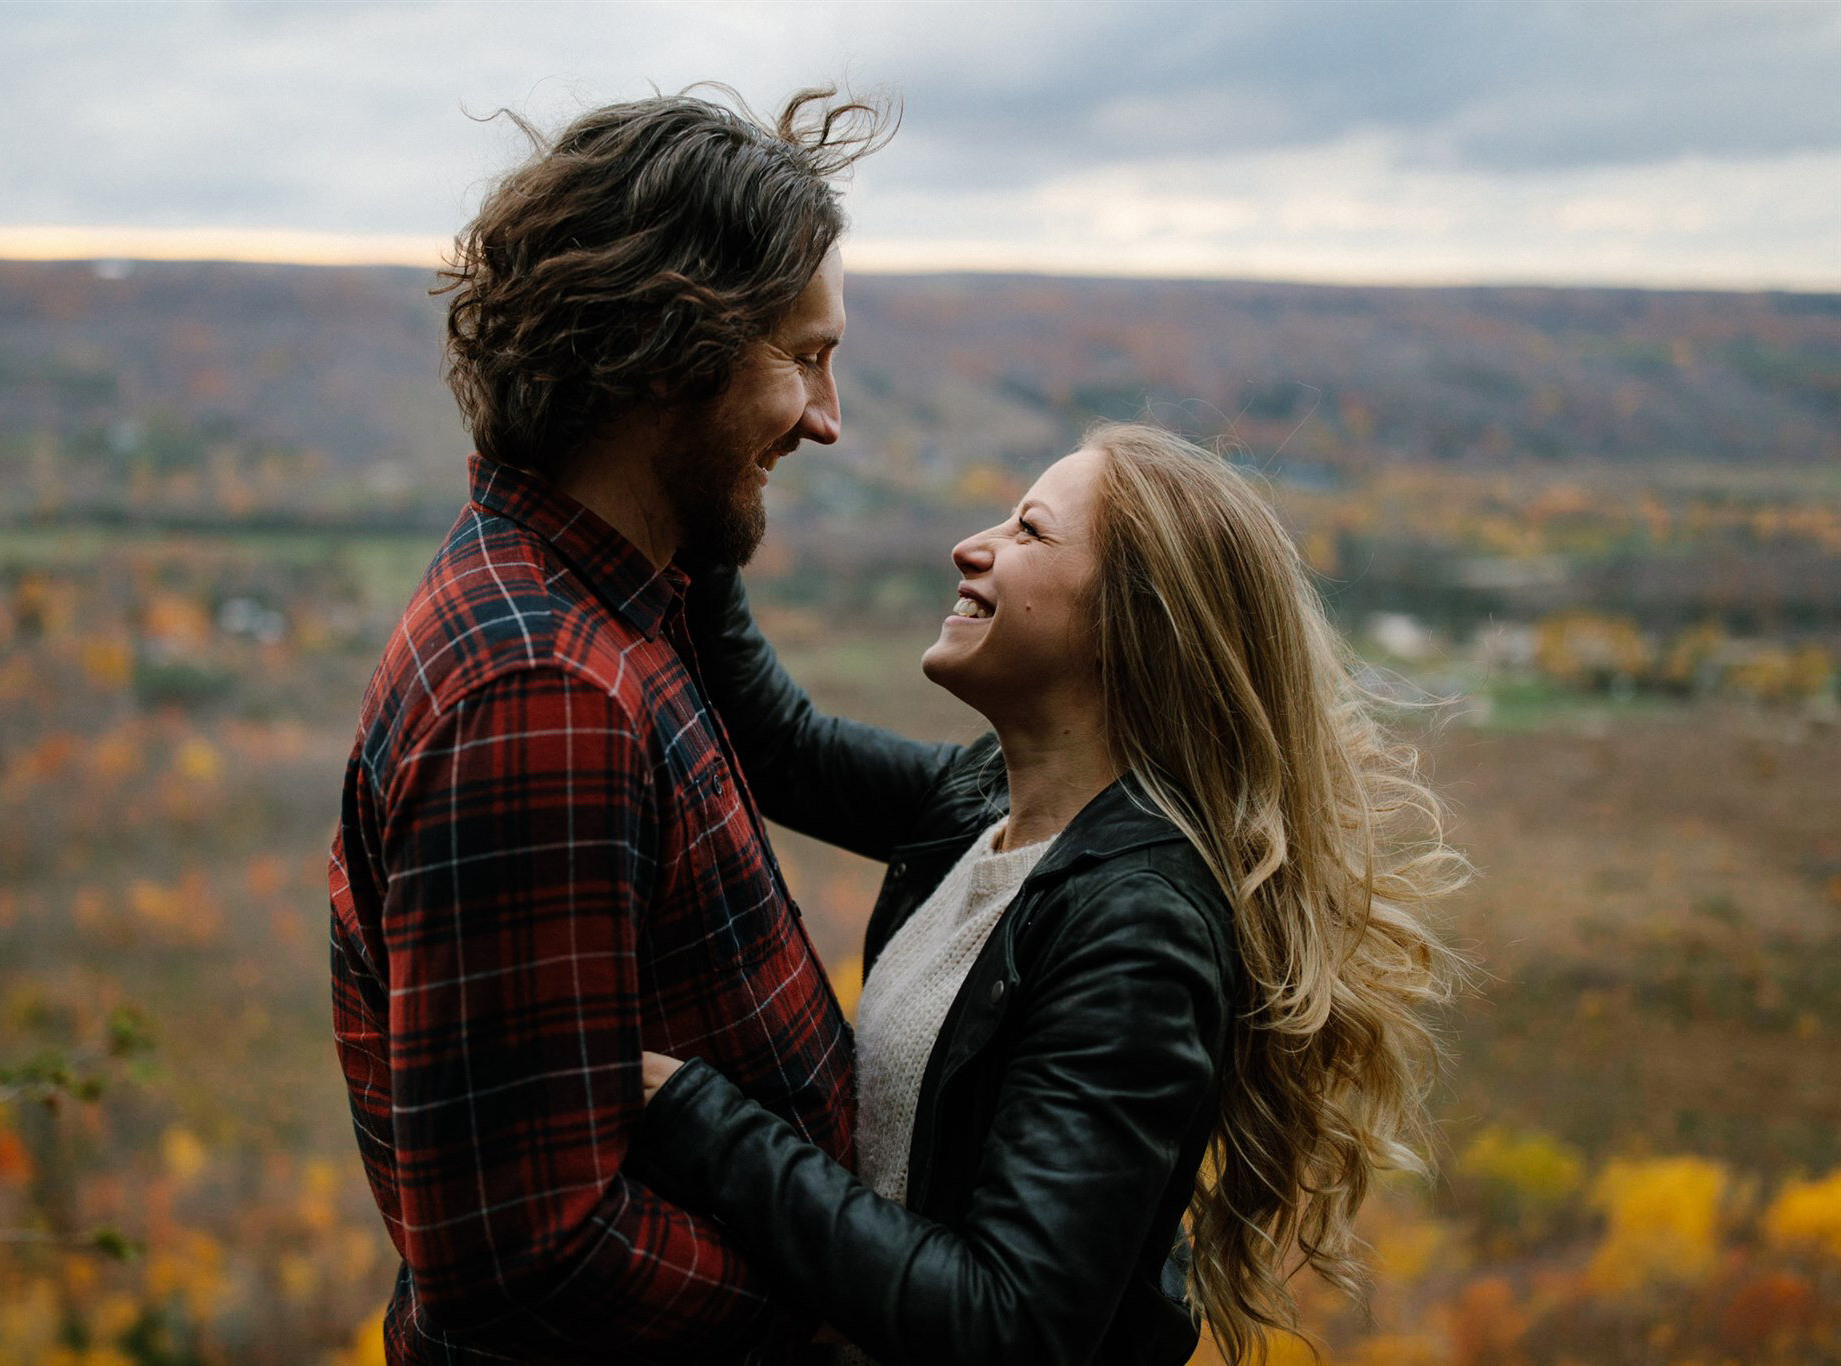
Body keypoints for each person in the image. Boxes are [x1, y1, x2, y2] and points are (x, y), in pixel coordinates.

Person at [633, 423, 1469, 1365]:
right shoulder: (983, 804)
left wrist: (708, 1128)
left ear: (1132, 618)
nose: (971, 545)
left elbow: (1011, 1323)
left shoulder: (1138, 928)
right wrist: (692, 486)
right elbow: (780, 747)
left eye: (1029, 532)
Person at [327, 87, 892, 1363]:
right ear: (665, 348)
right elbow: (529, 1260)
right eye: (801, 357)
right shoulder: (544, 691)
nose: (826, 417)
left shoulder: (616, 609)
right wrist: (856, 1318)